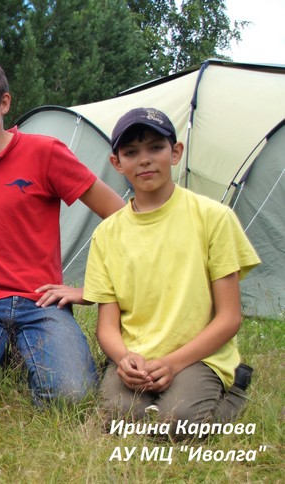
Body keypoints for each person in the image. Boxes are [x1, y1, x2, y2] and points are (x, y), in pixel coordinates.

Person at [0, 60, 125, 410]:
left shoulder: (45, 152)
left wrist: (92, 290)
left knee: (71, 398)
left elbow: (119, 216)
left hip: (40, 301)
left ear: (4, 103)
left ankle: (26, 349)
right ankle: (5, 351)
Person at [84, 108, 259, 441]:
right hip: (138, 357)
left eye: (156, 148)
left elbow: (229, 317)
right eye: (131, 152)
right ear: (117, 163)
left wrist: (174, 363)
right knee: (121, 420)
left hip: (198, 356)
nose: (145, 160)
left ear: (175, 152)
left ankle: (235, 387)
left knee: (177, 424)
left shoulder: (214, 218)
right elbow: (107, 326)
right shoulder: (106, 234)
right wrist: (123, 358)